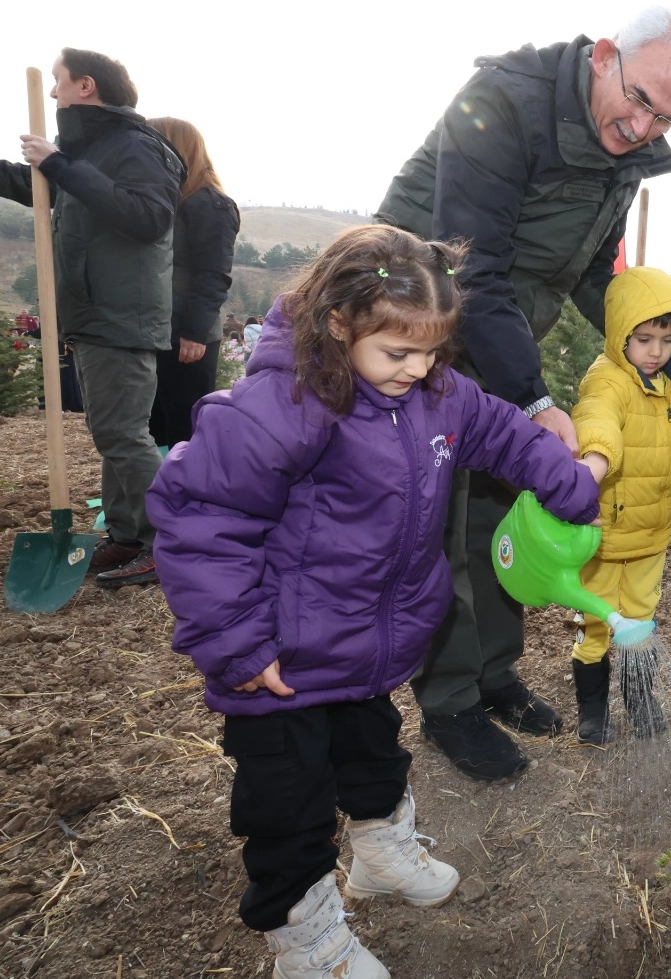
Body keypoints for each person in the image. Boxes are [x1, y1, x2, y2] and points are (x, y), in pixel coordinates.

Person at [146, 225, 600, 979]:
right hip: (280, 660)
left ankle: (383, 856)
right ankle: (304, 940)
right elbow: (201, 521)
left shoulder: (435, 395)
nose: (419, 369)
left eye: (433, 352)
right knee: (287, 806)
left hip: (364, 646)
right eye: (399, 353)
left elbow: (507, 437)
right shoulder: (281, 406)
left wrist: (571, 485)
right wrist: (238, 644)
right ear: (338, 322)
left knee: (373, 754)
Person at [375, 7, 671, 778]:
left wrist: (663, 353)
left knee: (501, 511)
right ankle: (451, 702)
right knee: (442, 518)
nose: (643, 126)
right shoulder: (503, 104)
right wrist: (533, 401)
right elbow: (469, 271)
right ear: (602, 57)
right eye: (638, 100)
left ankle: (495, 673)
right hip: (419, 320)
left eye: (667, 118)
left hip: (505, 325)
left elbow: (596, 273)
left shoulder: (629, 149)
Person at [0, 48, 183, 587]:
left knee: (124, 435)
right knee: (114, 434)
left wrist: (59, 163)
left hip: (119, 313)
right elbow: (48, 190)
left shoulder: (135, 146)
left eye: (58, 83)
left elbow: (148, 217)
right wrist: (52, 169)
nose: (52, 94)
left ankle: (165, 543)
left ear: (85, 85)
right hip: (97, 311)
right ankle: (128, 534)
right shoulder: (96, 153)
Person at [570, 267, 671, 743]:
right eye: (643, 338)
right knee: (597, 619)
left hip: (652, 531)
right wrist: (593, 465)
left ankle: (639, 696)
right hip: (605, 531)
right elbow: (596, 421)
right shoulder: (607, 382)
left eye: (666, 339)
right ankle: (592, 708)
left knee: (640, 616)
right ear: (620, 332)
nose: (656, 351)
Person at [145, 117, 240, 447]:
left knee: (186, 425)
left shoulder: (211, 205)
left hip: (187, 336)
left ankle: (187, 492)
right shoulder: (171, 202)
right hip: (159, 330)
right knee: (156, 423)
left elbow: (213, 274)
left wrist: (194, 333)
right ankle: (159, 490)